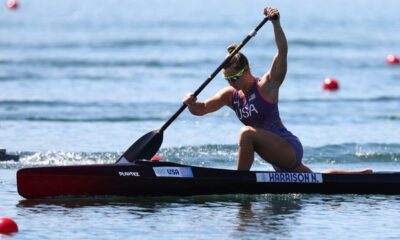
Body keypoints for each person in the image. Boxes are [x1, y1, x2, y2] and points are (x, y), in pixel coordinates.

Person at [183, 7, 372, 174]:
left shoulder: (267, 85)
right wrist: (191, 102)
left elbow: (282, 52)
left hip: (287, 147)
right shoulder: (230, 96)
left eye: (235, 78)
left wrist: (276, 23)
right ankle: (358, 176)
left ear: (247, 70)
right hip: (273, 152)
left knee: (246, 133)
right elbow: (202, 109)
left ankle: (239, 180)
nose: (232, 83)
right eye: (228, 79)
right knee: (314, 180)